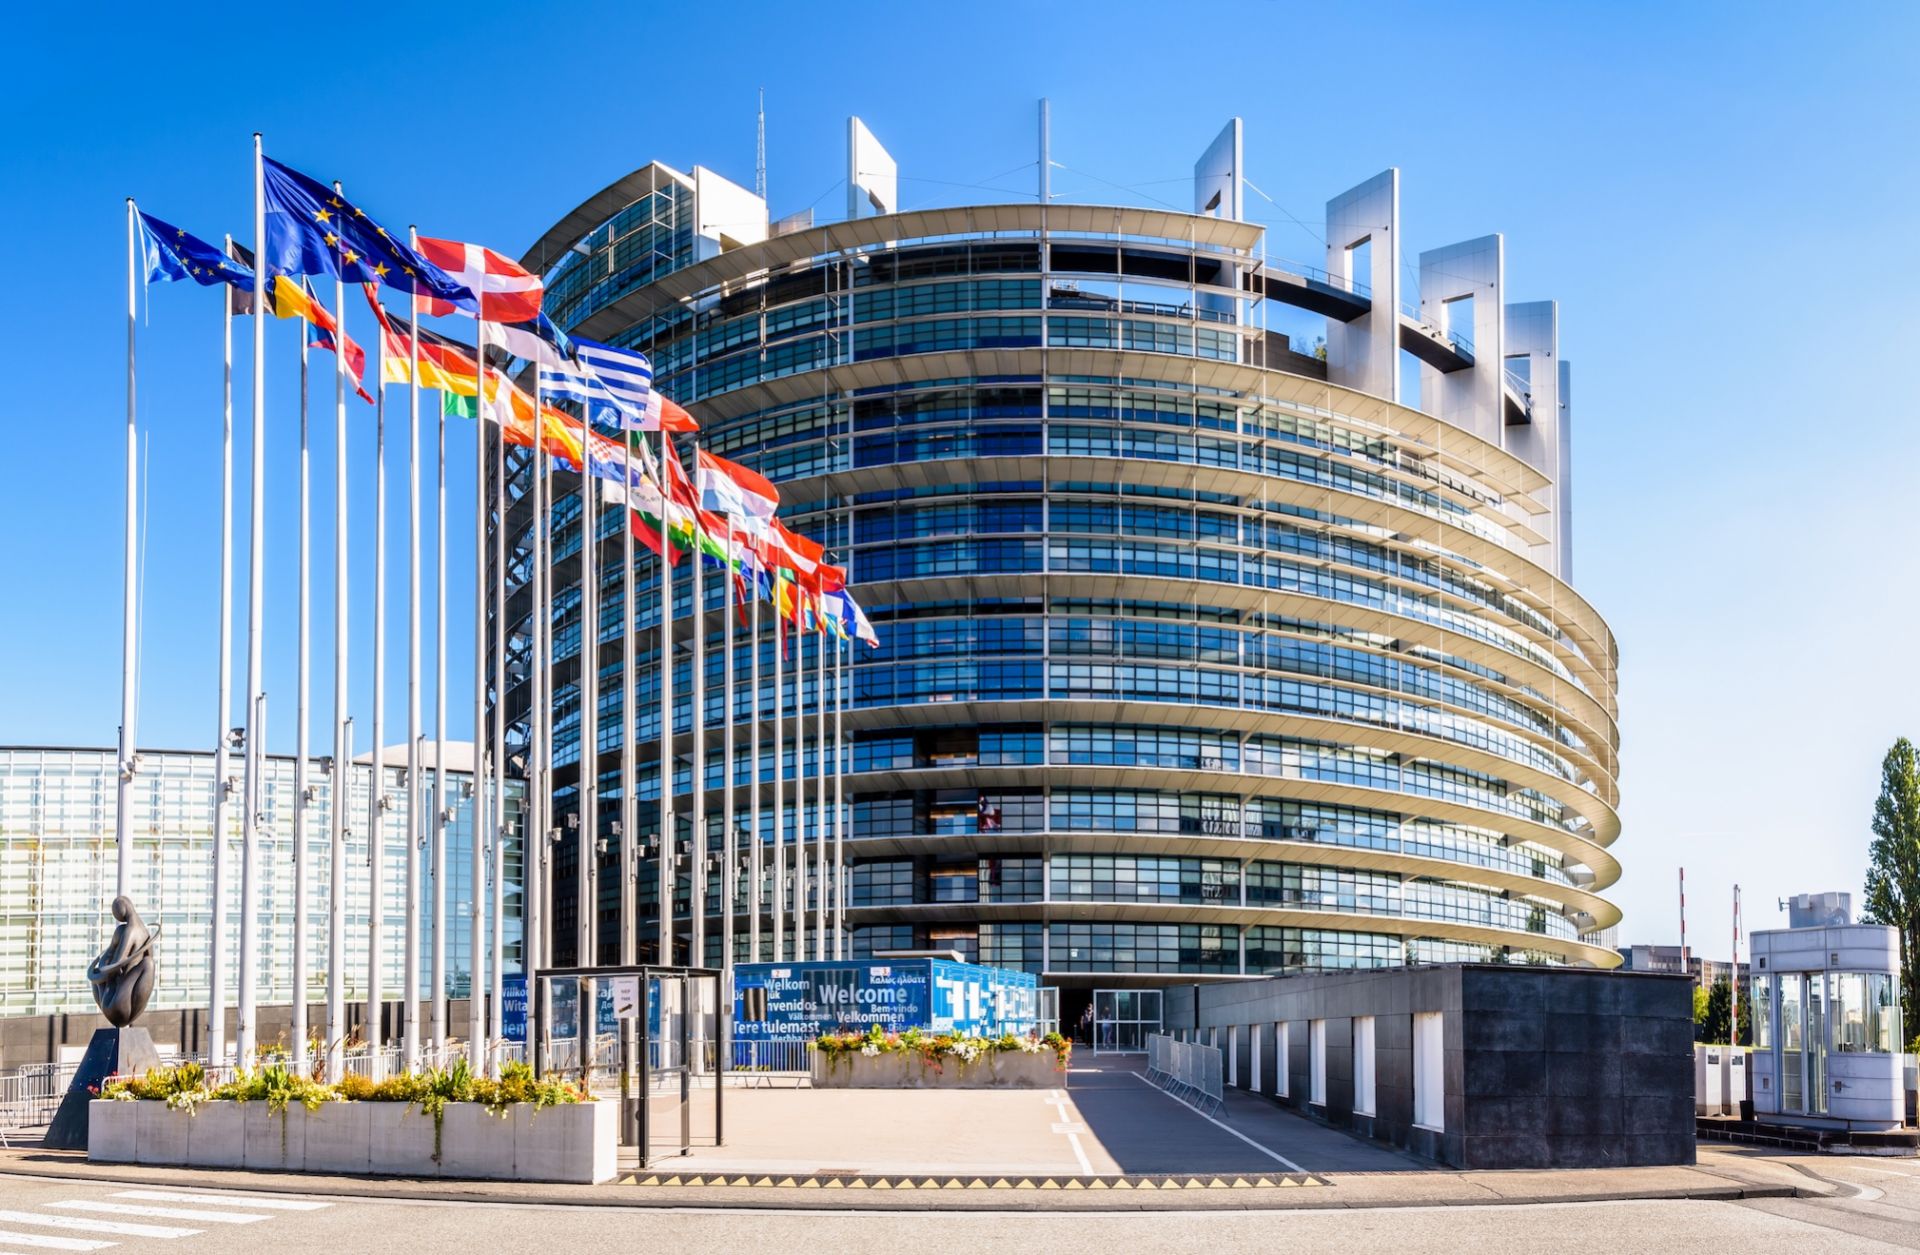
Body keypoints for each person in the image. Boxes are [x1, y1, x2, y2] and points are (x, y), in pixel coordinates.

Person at [88, 896, 157, 1027]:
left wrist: (94, 976)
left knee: (148, 963)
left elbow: (116, 964)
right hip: (119, 1004)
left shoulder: (130, 931)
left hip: (117, 1004)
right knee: (148, 963)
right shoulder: (145, 933)